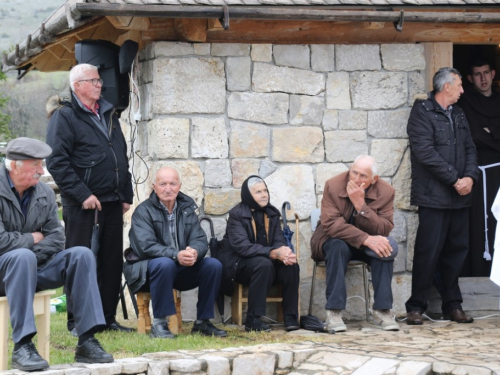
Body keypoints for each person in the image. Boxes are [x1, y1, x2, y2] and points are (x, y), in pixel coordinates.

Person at [0, 137, 113, 371]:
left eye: (42, 164)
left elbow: (57, 238)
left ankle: (87, 341)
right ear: (15, 166)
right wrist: (32, 238)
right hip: (4, 274)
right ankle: (22, 346)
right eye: (36, 165)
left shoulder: (44, 192)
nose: (42, 171)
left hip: (36, 266)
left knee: (81, 254)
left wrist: (30, 249)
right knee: (22, 257)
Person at [46, 63, 133, 335]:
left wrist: (125, 194)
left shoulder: (108, 113)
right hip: (82, 205)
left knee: (111, 263)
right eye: (93, 80)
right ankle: (78, 322)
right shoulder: (65, 116)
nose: (99, 84)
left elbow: (121, 155)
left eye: (99, 80)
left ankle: (107, 319)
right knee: (81, 263)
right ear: (77, 86)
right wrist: (83, 194)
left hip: (111, 201)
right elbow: (57, 162)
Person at [406, 67, 479, 325]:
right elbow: (425, 153)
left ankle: (452, 305)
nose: (462, 90)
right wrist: (455, 179)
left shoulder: (458, 113)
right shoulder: (421, 112)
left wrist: (470, 177)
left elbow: (471, 148)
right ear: (446, 87)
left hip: (460, 197)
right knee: (428, 252)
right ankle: (416, 307)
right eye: (459, 86)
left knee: (457, 252)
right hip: (433, 197)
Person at [124, 166, 227, 339]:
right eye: (163, 184)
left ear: (179, 186)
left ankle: (202, 322)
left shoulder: (186, 210)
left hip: (178, 269)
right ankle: (160, 324)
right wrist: (176, 254)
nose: (168, 188)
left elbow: (200, 239)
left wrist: (194, 251)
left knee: (212, 265)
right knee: (164, 263)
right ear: (154, 187)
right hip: (147, 272)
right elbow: (145, 246)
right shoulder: (143, 211)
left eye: (172, 183)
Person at [310, 155, 399, 333]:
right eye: (354, 173)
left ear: (374, 179)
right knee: (338, 246)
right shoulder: (333, 185)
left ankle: (382, 311)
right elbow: (331, 225)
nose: (356, 179)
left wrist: (361, 206)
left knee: (386, 246)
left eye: (363, 176)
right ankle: (334, 311)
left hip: (364, 245)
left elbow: (384, 228)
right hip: (330, 240)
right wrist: (366, 239)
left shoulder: (386, 192)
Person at [218, 175, 300, 332]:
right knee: (264, 263)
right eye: (258, 192)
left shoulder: (272, 213)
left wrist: (284, 251)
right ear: (248, 195)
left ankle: (290, 316)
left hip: (267, 264)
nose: (264, 195)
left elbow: (278, 239)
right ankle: (253, 320)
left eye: (265, 191)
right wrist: (273, 253)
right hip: (240, 266)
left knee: (291, 265)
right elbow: (243, 247)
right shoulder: (236, 214)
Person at [458, 58, 500, 277]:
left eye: (486, 73)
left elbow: (482, 135)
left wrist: (488, 131)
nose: (483, 78)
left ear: (493, 74)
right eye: (477, 74)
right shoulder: (465, 102)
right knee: (477, 223)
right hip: (477, 173)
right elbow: (472, 134)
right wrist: (494, 132)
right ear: (469, 78)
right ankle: (476, 274)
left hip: (498, 173)